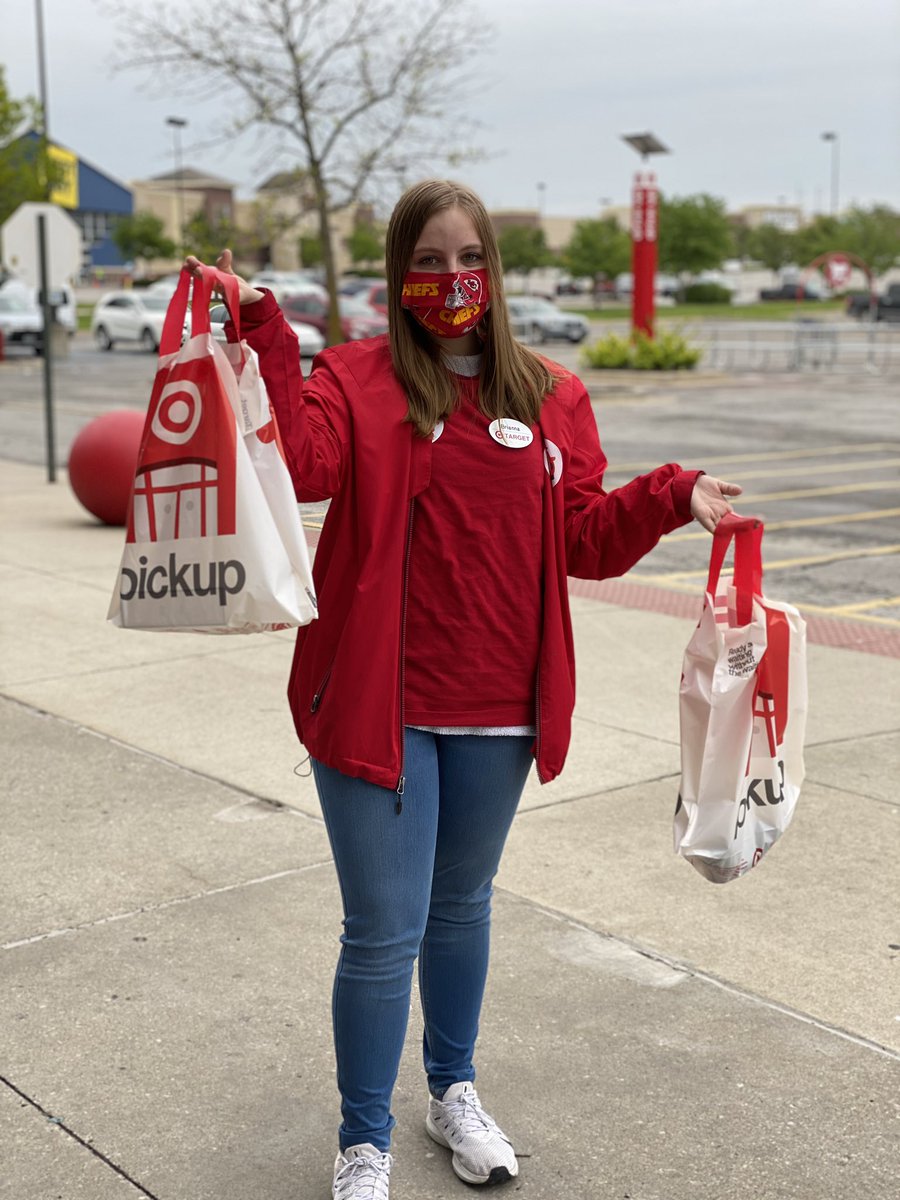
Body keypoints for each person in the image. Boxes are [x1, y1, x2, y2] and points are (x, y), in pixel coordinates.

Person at [186, 178, 740, 1200]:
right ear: (400, 277)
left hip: (500, 709)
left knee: (460, 909)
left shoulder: (550, 394)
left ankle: (453, 1093)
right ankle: (363, 1141)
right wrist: (265, 331)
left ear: (496, 269)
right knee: (382, 929)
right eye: (429, 262)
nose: (452, 281)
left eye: (469, 259)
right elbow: (301, 465)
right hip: (375, 705)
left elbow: (581, 537)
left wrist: (670, 496)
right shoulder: (354, 380)